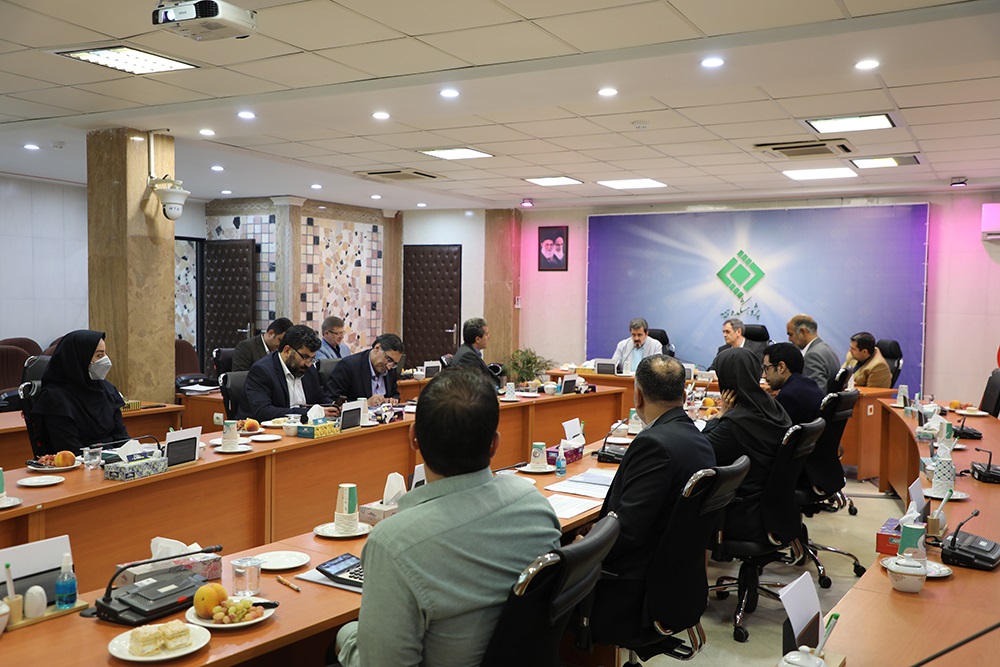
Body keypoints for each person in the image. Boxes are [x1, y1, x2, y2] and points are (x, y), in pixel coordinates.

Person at [334, 368, 562, 666]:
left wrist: (347, 638)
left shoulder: (393, 543)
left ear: (413, 438)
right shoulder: (535, 505)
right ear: (495, 444)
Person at [591, 355, 715, 641]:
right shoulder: (701, 441)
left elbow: (627, 532)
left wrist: (587, 547)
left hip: (632, 590)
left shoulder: (653, 444)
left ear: (637, 396)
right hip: (676, 584)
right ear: (684, 396)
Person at [703, 347, 792, 541]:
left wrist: (719, 416)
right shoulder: (772, 406)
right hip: (772, 507)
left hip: (741, 512)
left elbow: (700, 451)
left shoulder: (735, 424)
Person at [30, 330, 129, 455]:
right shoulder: (55, 398)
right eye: (99, 356)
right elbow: (70, 450)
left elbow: (122, 437)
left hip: (113, 460)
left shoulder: (108, 389)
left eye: (105, 354)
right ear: (79, 359)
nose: (106, 360)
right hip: (82, 462)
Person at [238, 325, 339, 421]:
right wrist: (307, 414)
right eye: (305, 357)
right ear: (287, 351)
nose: (308, 364)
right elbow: (263, 412)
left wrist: (334, 405)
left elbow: (319, 397)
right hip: (264, 430)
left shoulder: (309, 369)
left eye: (312, 359)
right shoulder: (262, 371)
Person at [326, 333, 404, 406]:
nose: (389, 367)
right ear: (377, 348)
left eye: (394, 363)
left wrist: (392, 400)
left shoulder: (391, 369)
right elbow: (333, 401)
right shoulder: (348, 366)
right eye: (389, 359)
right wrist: (364, 404)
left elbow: (395, 394)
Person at [763, 343, 824, 425]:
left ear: (781, 367)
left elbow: (773, 429)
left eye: (766, 368)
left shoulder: (788, 396)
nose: (764, 375)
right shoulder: (809, 383)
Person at [786, 314, 840, 391]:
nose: (789, 339)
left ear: (803, 331)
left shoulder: (813, 355)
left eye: (791, 334)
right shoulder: (826, 349)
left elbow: (815, 393)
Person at [452, 317, 500, 387]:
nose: (489, 337)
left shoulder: (467, 351)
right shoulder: (468, 357)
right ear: (477, 339)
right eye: (486, 334)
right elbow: (477, 385)